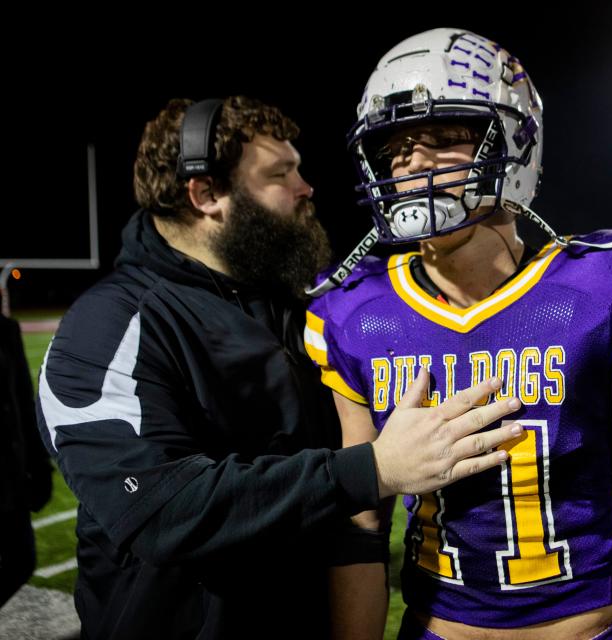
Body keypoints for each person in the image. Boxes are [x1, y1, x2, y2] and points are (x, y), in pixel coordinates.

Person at [35, 96, 521, 639]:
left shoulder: (294, 307)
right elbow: (158, 509)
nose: (306, 187)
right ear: (206, 194)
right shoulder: (109, 328)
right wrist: (372, 470)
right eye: (281, 173)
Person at [307, 28, 612, 640]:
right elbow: (360, 525)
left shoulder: (604, 287)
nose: (414, 163)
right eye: (396, 149)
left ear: (514, 140)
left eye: (446, 137)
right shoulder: (355, 311)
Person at [1, 314, 53, 608]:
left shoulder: (6, 329)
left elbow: (22, 401)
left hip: (10, 476)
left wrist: (40, 466)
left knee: (21, 561)